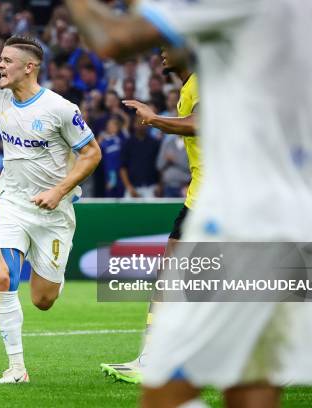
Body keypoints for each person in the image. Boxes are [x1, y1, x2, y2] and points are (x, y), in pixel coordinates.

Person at [66, 0, 312, 407]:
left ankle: (148, 356)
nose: (163, 44)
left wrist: (156, 118)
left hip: (237, 204)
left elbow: (113, 38)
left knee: (164, 392)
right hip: (289, 206)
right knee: (251, 388)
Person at [0, 32, 101, 383]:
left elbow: (92, 154)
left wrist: (60, 190)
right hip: (12, 202)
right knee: (4, 276)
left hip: (53, 212)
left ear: (29, 68)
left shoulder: (60, 109)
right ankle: (16, 368)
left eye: (7, 60)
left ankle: (52, 281)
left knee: (43, 301)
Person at [101, 47, 202, 383]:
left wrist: (154, 118)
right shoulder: (191, 86)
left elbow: (199, 125)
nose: (161, 51)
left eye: (169, 44)